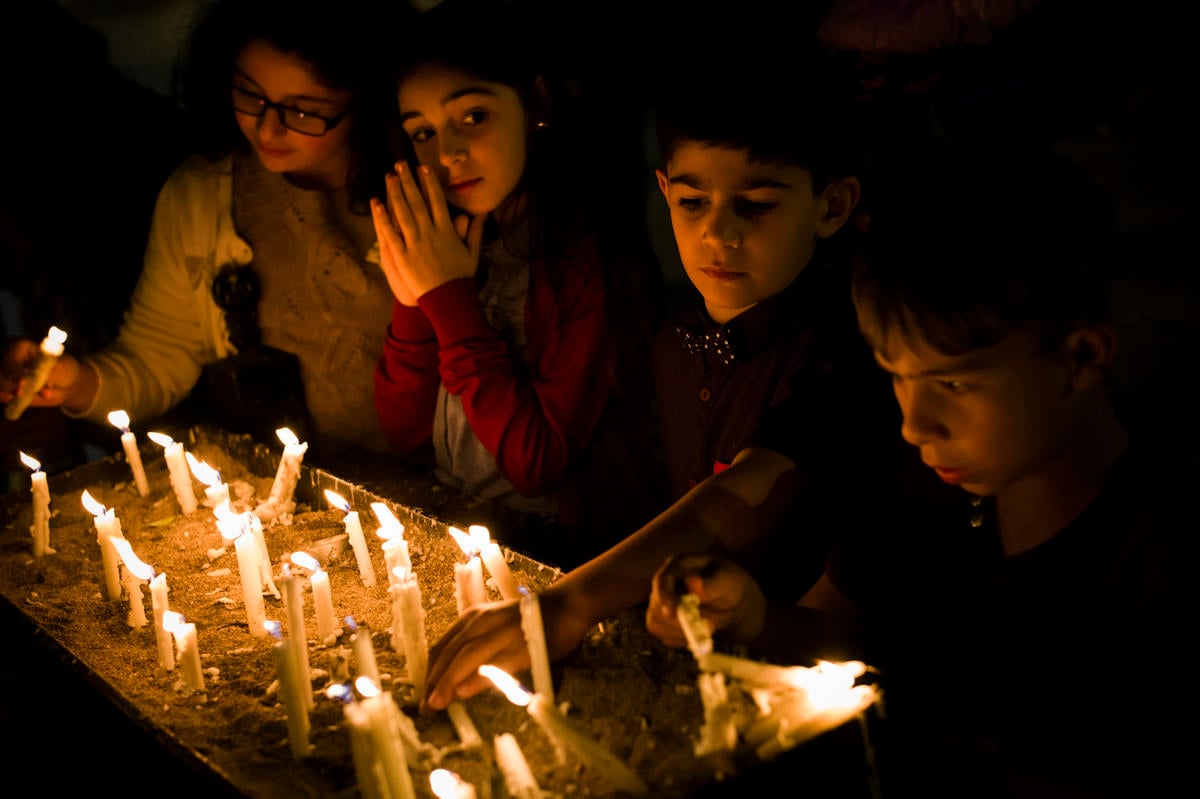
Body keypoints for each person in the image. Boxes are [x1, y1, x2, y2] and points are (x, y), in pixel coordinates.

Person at [645, 144, 1199, 798]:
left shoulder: (1162, 556)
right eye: (897, 376)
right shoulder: (928, 489)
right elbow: (844, 627)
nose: (915, 423)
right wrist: (750, 616)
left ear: (1082, 357)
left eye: (953, 384)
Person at [416, 43, 902, 714]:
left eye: (756, 205)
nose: (717, 234)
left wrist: (570, 603)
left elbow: (739, 493)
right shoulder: (674, 341)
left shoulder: (842, 351)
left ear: (832, 205)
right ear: (664, 191)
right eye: (693, 201)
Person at [0, 0, 410, 457]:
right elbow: (157, 357)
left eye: (302, 111)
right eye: (250, 95)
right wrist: (75, 383)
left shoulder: (423, 194)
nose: (267, 129)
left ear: (367, 103)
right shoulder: (203, 197)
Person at [370, 0, 668, 569]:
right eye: (423, 133)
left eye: (473, 116)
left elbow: (537, 466)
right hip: (466, 531)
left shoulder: (583, 253)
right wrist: (414, 301)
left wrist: (447, 298)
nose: (448, 153)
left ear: (536, 105)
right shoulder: (449, 236)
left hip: (565, 552)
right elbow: (406, 438)